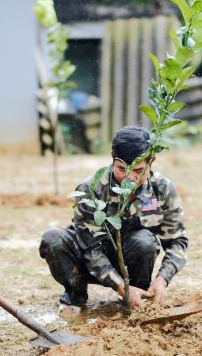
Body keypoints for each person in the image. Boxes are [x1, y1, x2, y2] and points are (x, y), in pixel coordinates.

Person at [39, 126, 188, 317]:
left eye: (139, 171)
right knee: (54, 238)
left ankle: (138, 293)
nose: (130, 179)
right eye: (122, 169)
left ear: (153, 160)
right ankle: (74, 294)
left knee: (145, 241)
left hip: (130, 259)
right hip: (89, 262)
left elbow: (177, 241)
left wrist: (162, 279)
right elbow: (89, 248)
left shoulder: (163, 189)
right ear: (112, 158)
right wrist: (119, 285)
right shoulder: (91, 189)